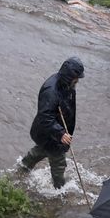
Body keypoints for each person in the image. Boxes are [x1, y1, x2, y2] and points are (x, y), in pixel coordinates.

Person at [17, 56, 85, 188]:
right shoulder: (51, 91)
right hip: (51, 134)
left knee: (40, 150)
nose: (78, 81)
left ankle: (21, 170)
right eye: (76, 78)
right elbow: (45, 116)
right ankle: (60, 190)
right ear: (69, 76)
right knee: (59, 162)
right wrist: (60, 133)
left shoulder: (66, 84)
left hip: (48, 133)